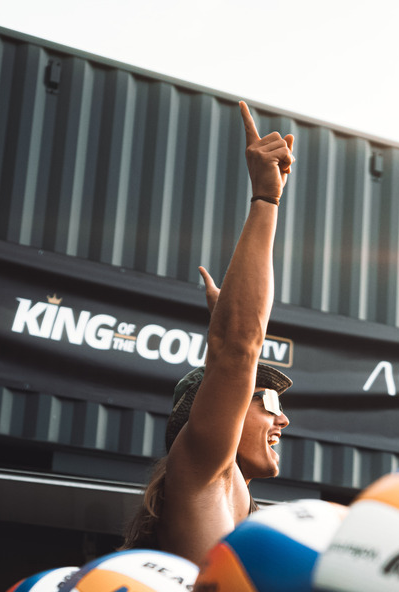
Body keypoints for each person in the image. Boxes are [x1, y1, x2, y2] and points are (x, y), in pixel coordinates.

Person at [120, 101, 295, 566]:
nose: (284, 420)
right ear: (219, 412)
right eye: (269, 402)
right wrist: (266, 198)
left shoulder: (237, 508)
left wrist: (232, 326)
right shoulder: (204, 472)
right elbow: (237, 349)